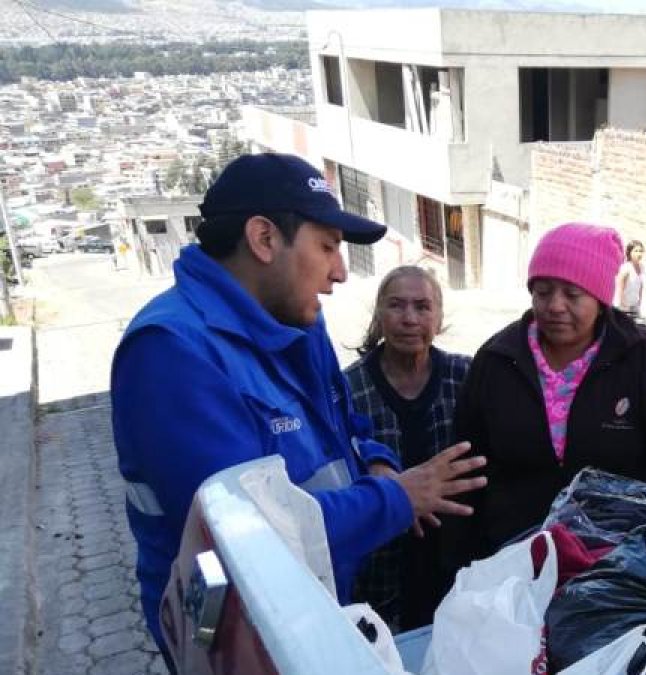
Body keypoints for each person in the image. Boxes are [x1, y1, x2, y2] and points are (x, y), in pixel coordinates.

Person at [110, 153, 486, 667]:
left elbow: (344, 427)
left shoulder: (298, 321)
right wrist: (397, 498)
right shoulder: (172, 352)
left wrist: (374, 461)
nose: (339, 272)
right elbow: (249, 542)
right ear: (264, 239)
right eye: (328, 247)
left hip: (319, 599)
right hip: (238, 633)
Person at [448, 221, 646, 567]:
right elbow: (466, 470)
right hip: (510, 564)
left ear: (600, 299)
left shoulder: (645, 360)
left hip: (617, 565)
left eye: (572, 294)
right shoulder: (497, 360)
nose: (554, 306)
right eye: (542, 291)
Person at [344, 265, 472, 631]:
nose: (409, 318)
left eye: (422, 307)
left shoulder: (465, 376)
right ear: (379, 314)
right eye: (396, 306)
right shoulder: (348, 388)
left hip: (452, 555)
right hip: (378, 561)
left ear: (439, 316)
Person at [613, 239, 644, 318]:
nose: (639, 254)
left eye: (641, 251)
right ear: (630, 253)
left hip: (634, 306)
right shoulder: (626, 268)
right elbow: (620, 289)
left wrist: (639, 303)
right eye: (636, 251)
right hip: (623, 308)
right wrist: (623, 306)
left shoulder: (641, 267)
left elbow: (640, 286)